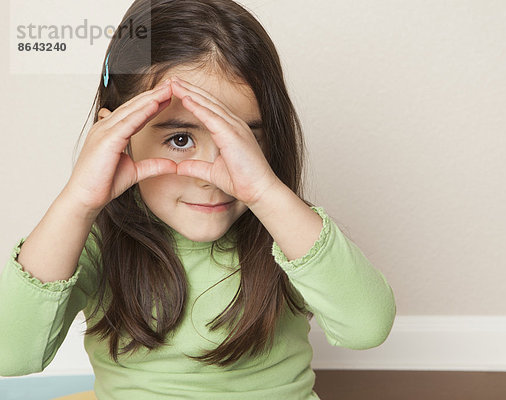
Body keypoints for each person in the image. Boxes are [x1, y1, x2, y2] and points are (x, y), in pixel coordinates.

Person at [0, 0, 396, 399]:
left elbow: (367, 329)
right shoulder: (94, 241)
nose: (213, 176)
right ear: (119, 137)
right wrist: (78, 201)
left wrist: (265, 192)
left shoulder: (288, 231)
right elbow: (9, 355)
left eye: (240, 141)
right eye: (180, 139)